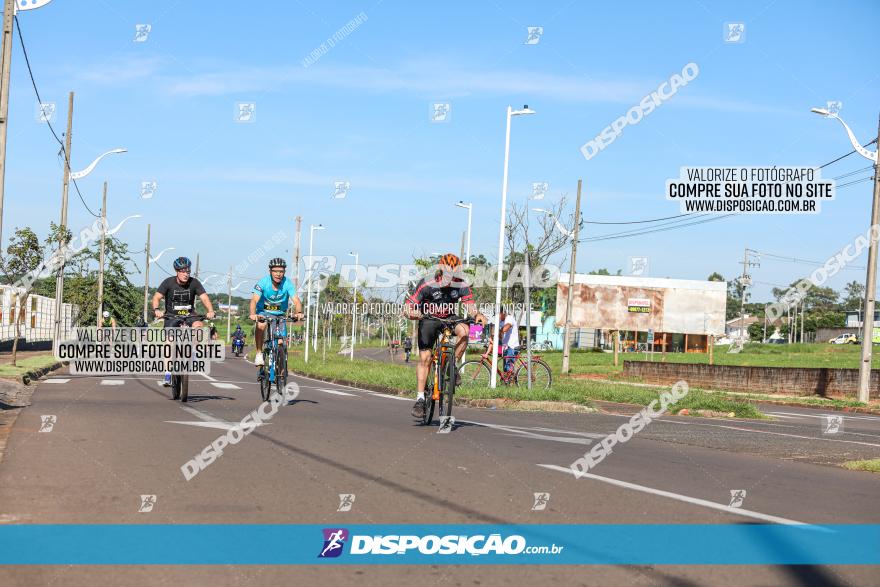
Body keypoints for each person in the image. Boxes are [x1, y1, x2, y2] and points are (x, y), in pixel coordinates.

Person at [403, 253, 487, 419]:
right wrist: (412, 313)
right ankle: (420, 399)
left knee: (465, 330)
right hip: (428, 319)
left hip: (449, 318)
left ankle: (450, 363)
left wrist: (477, 314)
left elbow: (470, 306)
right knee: (425, 358)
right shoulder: (427, 283)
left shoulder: (461, 284)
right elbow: (408, 306)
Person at [152, 256, 215, 386]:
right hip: (171, 316)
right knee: (170, 343)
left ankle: (192, 352)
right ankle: (168, 374)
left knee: (198, 327)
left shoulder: (194, 283)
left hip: (190, 315)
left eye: (188, 271)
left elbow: (204, 298)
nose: (186, 274)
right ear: (177, 271)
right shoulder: (168, 282)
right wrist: (157, 309)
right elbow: (156, 297)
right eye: (183, 271)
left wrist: (210, 310)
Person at [248, 258, 304, 367]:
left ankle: (281, 374)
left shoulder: (287, 283)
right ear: (270, 272)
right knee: (261, 325)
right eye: (275, 271)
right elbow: (254, 300)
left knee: (281, 343)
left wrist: (299, 312)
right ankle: (259, 353)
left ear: (284, 272)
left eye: (281, 271)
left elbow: (296, 300)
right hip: (263, 312)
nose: (278, 274)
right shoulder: (263, 282)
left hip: (280, 314)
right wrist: (253, 313)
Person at [496, 306, 520, 372]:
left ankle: (512, 380)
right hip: (505, 347)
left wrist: (500, 330)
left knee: (509, 368)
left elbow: (506, 327)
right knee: (506, 369)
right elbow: (499, 335)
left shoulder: (509, 318)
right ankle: (508, 380)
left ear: (503, 313)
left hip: (512, 346)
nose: (498, 317)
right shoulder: (501, 321)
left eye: (499, 314)